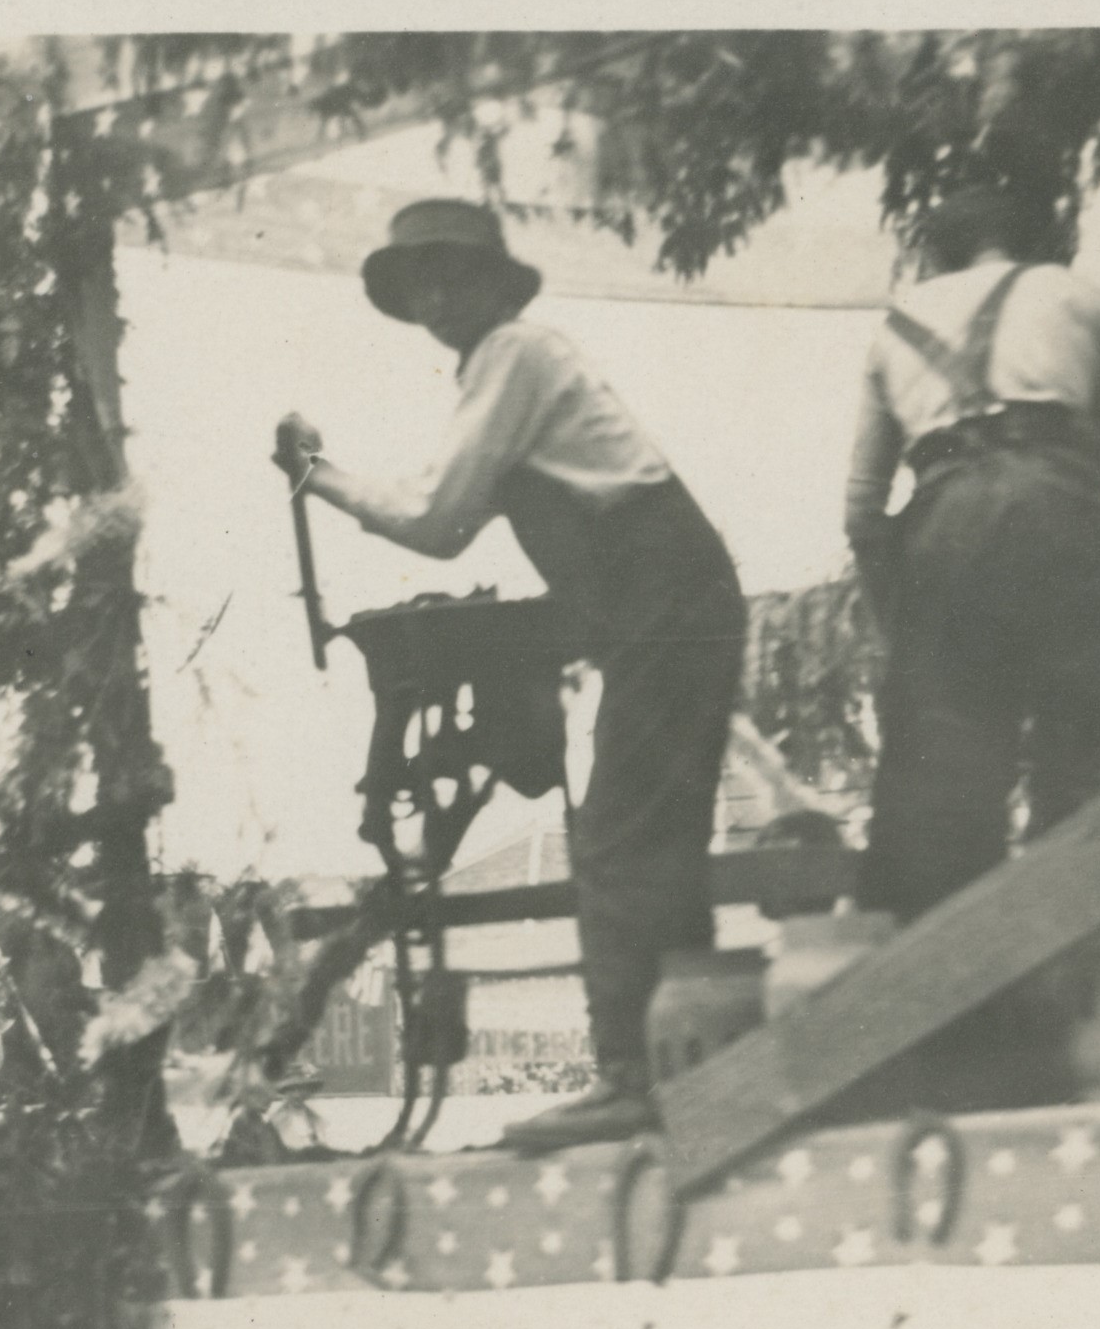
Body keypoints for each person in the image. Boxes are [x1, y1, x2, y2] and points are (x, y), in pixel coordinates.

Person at [273, 201, 749, 1154]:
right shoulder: (505, 370)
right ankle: (689, 1067)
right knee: (655, 837)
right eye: (421, 285)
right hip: (665, 610)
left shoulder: (515, 355)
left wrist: (316, 474)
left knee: (618, 836)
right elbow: (454, 521)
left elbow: (434, 518)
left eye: (455, 277)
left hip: (667, 603)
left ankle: (631, 1077)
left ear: (497, 284)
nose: (437, 299)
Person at [840, 186, 1100, 1104]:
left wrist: (904, 632)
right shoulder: (1093, 301)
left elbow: (862, 512)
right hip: (1064, 517)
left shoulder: (895, 325)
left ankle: (966, 1064)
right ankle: (1097, 1035)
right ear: (1047, 233)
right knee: (1099, 771)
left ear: (946, 244)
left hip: (941, 537)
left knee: (939, 802)